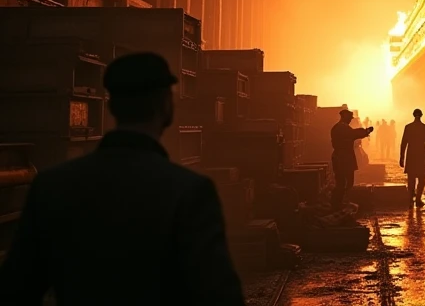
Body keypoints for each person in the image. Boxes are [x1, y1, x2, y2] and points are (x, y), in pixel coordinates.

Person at [0, 53, 245, 305]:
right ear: (166, 106)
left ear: (111, 105)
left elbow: (16, 289)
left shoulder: (52, 186)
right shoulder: (190, 191)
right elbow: (219, 294)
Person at [332, 105, 374, 208]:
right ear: (345, 117)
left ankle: (338, 202)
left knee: (341, 181)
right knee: (345, 182)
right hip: (344, 158)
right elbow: (354, 133)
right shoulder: (343, 127)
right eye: (350, 118)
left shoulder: (337, 127)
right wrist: (366, 131)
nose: (351, 120)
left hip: (340, 157)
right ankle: (339, 203)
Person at [400, 109, 425, 207]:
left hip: (411, 155)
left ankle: (410, 200)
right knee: (421, 179)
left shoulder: (408, 127)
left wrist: (402, 157)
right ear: (421, 115)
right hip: (421, 155)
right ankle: (418, 199)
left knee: (411, 179)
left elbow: (404, 143)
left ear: (413, 115)